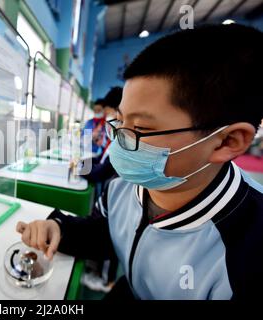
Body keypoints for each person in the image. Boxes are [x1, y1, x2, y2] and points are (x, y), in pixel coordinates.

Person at [16, 24, 263, 300]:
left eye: (142, 129)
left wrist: (80, 169)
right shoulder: (124, 186)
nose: (120, 139)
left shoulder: (248, 256)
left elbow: (98, 170)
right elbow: (107, 232)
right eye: (119, 120)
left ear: (227, 141)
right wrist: (62, 229)